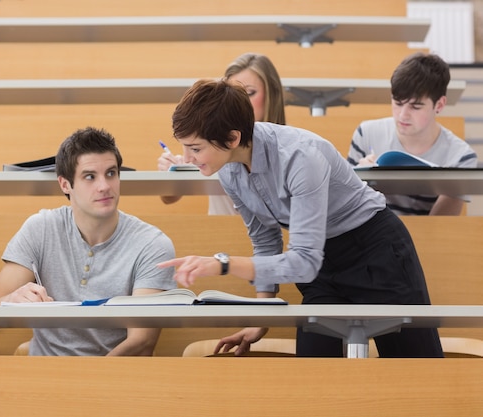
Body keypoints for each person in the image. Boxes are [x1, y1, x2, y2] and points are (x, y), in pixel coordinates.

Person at [157, 78, 444, 358]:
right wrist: (262, 316)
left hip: (375, 251)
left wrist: (223, 265)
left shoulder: (301, 156)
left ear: (233, 138)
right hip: (321, 265)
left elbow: (304, 262)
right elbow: (265, 239)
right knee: (313, 370)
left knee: (417, 369)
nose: (187, 158)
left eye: (195, 148)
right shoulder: (228, 167)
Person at [0, 126, 176, 356]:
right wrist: (10, 300)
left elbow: (142, 342)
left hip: (112, 379)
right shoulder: (41, 227)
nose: (105, 186)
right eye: (90, 176)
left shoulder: (151, 244)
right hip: (43, 376)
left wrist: (87, 383)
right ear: (65, 184)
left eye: (111, 173)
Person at [347, 52, 478, 215]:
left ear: (439, 105)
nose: (403, 115)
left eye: (415, 107)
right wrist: (362, 182)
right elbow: (348, 209)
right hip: (373, 235)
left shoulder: (461, 157)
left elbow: (441, 225)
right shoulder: (365, 134)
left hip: (426, 238)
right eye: (398, 103)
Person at [158, 52, 286, 214]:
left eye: (249, 93)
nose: (240, 102)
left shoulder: (288, 153)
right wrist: (175, 172)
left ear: (271, 95)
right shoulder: (212, 146)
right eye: (233, 94)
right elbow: (169, 198)